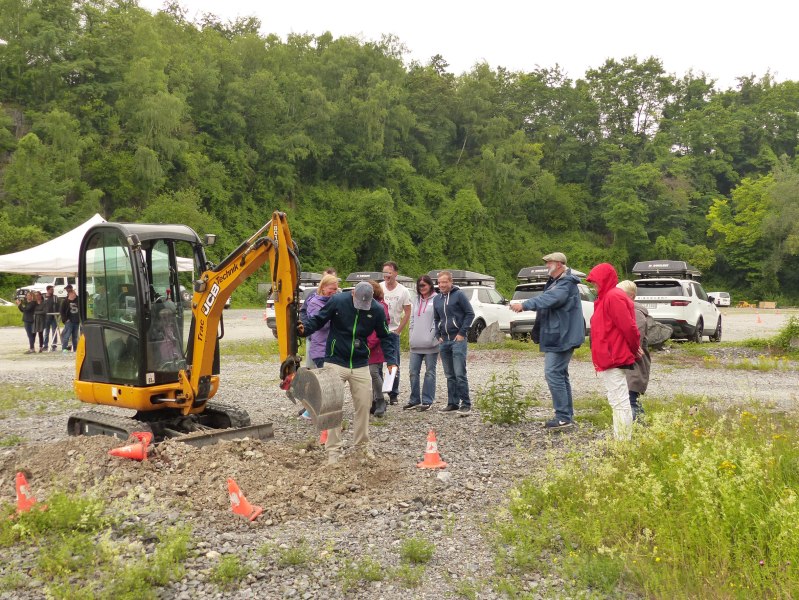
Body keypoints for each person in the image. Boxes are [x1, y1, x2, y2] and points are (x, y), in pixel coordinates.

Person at [298, 281, 398, 464]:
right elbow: (319, 319)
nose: (362, 307)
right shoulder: (337, 301)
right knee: (332, 406)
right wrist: (304, 329)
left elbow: (385, 336)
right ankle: (333, 452)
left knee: (364, 405)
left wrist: (391, 360)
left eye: (365, 304)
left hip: (360, 363)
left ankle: (361, 447)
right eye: (359, 302)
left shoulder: (376, 310)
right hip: (336, 360)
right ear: (353, 293)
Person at [510, 252, 585, 430]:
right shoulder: (557, 282)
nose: (546, 266)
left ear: (559, 264)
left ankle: (563, 417)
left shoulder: (565, 283)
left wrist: (525, 305)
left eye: (549, 263)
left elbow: (550, 299)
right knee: (560, 374)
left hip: (561, 335)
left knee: (552, 373)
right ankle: (566, 415)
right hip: (558, 334)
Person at [585, 264, 642, 441]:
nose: (594, 286)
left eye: (596, 282)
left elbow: (629, 327)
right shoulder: (607, 297)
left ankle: (623, 441)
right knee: (617, 399)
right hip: (610, 355)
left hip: (614, 356)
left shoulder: (613, 297)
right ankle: (621, 438)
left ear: (604, 280)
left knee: (620, 401)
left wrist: (634, 348)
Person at [433, 271, 474, 414]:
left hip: (458, 340)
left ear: (451, 282)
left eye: (444, 282)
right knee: (449, 374)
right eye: (439, 282)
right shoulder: (437, 299)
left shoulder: (459, 295)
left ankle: (466, 403)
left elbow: (470, 313)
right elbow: (436, 318)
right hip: (444, 341)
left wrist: (462, 333)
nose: (442, 285)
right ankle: (453, 403)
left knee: (459, 373)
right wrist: (438, 334)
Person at [617, 280, 651, 421]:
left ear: (630, 296)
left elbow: (635, 340)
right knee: (627, 398)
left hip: (635, 364)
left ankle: (640, 429)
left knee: (632, 399)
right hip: (627, 362)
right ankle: (634, 428)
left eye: (620, 295)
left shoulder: (636, 313)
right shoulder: (625, 310)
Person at [404, 275, 439, 411]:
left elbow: (438, 320)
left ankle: (427, 400)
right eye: (419, 286)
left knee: (430, 372)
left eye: (424, 285)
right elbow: (412, 319)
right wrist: (411, 336)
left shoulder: (437, 299)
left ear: (430, 285)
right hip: (416, 343)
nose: (422, 288)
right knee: (413, 371)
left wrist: (433, 337)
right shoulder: (416, 300)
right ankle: (414, 399)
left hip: (431, 344)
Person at [380, 261, 411, 405]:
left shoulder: (403, 291)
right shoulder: (379, 287)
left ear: (395, 273)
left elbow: (407, 312)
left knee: (393, 364)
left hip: (393, 331)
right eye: (385, 272)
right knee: (376, 363)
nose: (387, 275)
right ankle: (378, 393)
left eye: (389, 272)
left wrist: (399, 330)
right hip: (379, 331)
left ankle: (393, 394)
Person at [366, 280, 390, 417]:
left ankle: (381, 400)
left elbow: (381, 328)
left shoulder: (382, 307)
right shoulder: (364, 306)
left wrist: (369, 344)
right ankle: (374, 401)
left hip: (375, 346)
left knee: (374, 373)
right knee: (370, 374)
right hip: (365, 344)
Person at [60, 285, 81, 353]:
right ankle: (64, 349)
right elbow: (62, 311)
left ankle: (75, 349)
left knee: (75, 336)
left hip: (76, 320)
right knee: (67, 335)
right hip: (69, 321)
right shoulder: (65, 301)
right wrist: (65, 320)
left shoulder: (78, 300)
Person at [42, 285, 60, 351]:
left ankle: (54, 345)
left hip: (54, 317)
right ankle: (45, 345)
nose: (53, 290)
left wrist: (58, 315)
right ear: (48, 290)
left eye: (53, 289)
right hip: (46, 317)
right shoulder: (44, 297)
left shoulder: (55, 297)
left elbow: (59, 306)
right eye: (51, 289)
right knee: (46, 332)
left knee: (54, 331)